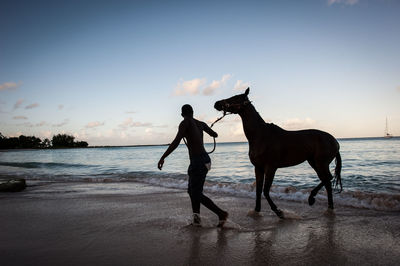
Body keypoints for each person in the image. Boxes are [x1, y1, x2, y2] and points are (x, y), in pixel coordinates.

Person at [158, 104, 228, 227]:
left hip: (198, 161)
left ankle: (221, 213)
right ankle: (196, 220)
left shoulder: (185, 123)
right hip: (205, 160)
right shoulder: (201, 123)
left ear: (182, 114)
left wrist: (163, 157)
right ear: (193, 112)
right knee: (193, 191)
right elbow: (214, 134)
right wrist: (212, 133)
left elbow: (176, 141)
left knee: (195, 193)